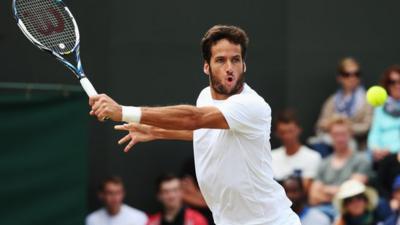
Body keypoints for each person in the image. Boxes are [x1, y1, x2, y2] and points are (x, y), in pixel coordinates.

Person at [89, 25, 301, 225]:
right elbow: (204, 131)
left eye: (236, 60)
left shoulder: (251, 105)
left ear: (244, 65)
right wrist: (157, 131)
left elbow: (194, 118)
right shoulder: (205, 97)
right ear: (206, 66)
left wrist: (123, 112)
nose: (229, 68)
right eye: (220, 60)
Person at [309, 116, 371, 219]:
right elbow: (313, 197)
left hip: (348, 212)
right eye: (336, 134)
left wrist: (325, 189)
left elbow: (352, 192)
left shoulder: (361, 160)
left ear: (351, 135)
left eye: (343, 134)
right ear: (330, 136)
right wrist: (339, 192)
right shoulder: (324, 163)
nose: (340, 138)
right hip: (322, 211)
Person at [312, 57, 372, 155]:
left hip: (356, 144)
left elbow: (367, 126)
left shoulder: (367, 99)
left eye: (356, 74)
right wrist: (333, 127)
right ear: (339, 78)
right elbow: (320, 125)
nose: (352, 78)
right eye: (347, 74)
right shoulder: (332, 100)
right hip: (331, 143)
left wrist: (347, 128)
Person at [272, 109, 321, 190]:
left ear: (299, 130)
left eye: (290, 131)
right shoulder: (270, 156)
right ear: (277, 134)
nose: (287, 136)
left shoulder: (313, 157)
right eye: (282, 132)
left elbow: (305, 189)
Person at [368, 65, 400, 162]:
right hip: (378, 154)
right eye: (393, 82)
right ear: (387, 85)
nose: (397, 85)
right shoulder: (380, 107)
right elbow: (375, 131)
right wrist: (375, 148)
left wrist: (390, 149)